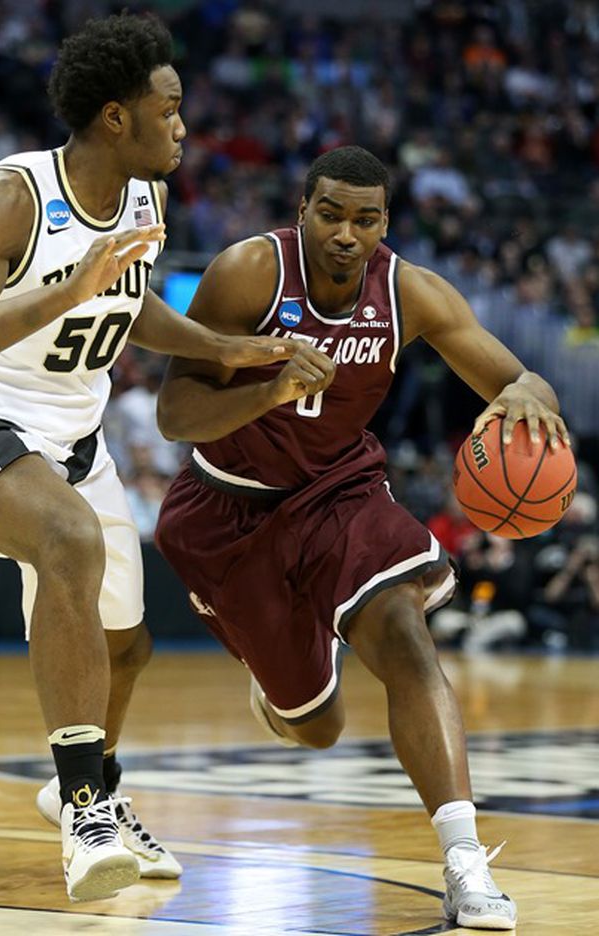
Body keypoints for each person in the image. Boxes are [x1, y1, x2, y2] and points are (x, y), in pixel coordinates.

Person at [0, 11, 297, 903]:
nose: (184, 126)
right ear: (115, 117)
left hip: (73, 439)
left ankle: (84, 787)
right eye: (170, 108)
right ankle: (86, 812)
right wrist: (57, 292)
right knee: (71, 543)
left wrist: (217, 347)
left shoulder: (145, 196)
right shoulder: (13, 196)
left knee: (127, 649)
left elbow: (128, 299)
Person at [155, 145, 570, 930]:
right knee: (316, 728)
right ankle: (285, 669)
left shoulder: (407, 289)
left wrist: (530, 400)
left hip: (340, 492)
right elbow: (175, 418)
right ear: (303, 210)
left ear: (385, 222)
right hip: (226, 509)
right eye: (332, 214)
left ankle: (464, 861)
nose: (348, 233)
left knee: (407, 636)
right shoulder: (247, 273)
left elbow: (514, 376)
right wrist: (273, 384)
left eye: (366, 218)